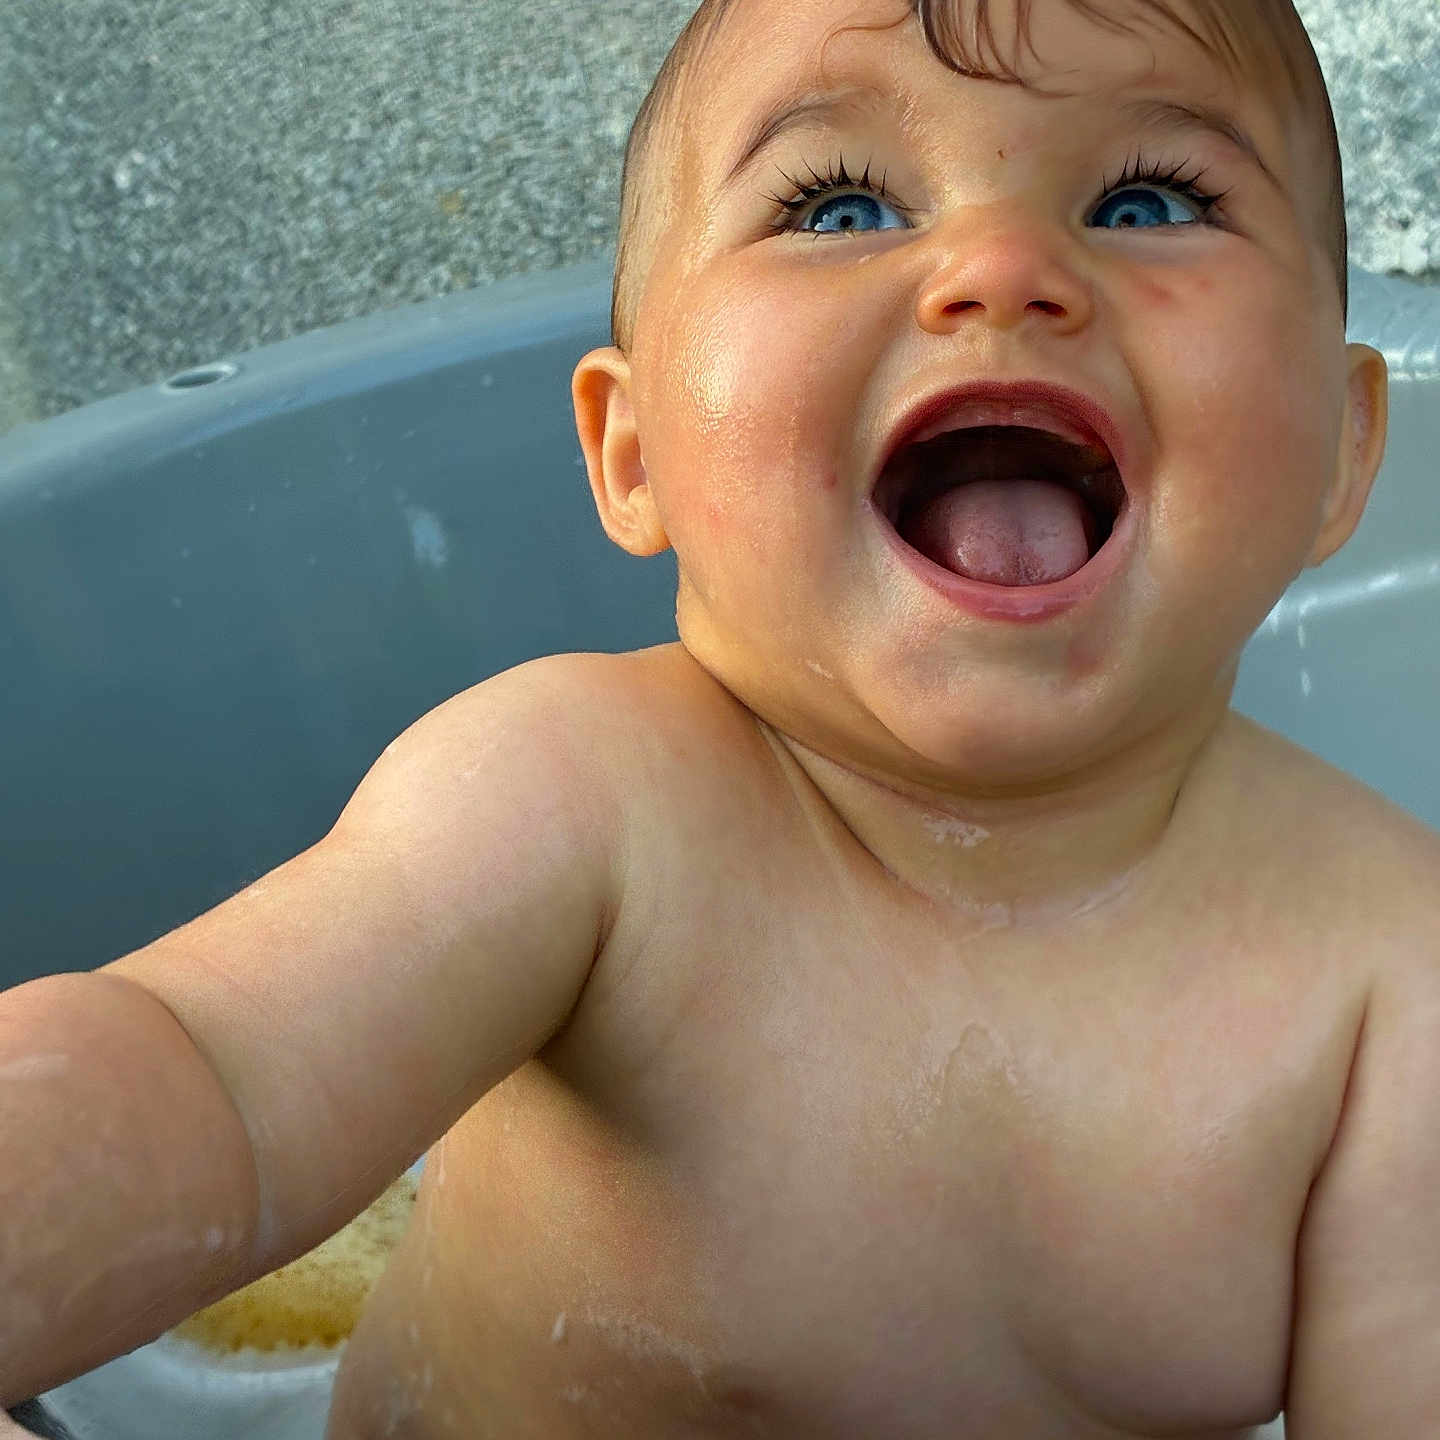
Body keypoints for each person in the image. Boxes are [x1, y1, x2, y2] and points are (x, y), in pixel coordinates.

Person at [3, 0, 1437, 1434]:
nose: (1006, 269)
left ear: (1341, 450)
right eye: (841, 206)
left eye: (1146, 200)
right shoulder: (578, 803)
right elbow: (211, 1082)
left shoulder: (1389, 982)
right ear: (634, 456)